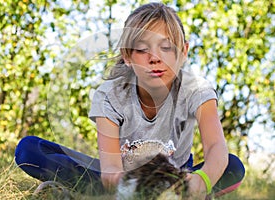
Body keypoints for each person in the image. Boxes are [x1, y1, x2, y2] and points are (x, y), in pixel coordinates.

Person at [15, 2, 245, 199]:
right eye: (142, 49)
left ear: (183, 52)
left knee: (232, 166)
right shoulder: (110, 95)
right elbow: (112, 169)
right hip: (122, 181)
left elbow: (216, 146)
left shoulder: (197, 90)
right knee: (30, 149)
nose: (154, 58)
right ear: (127, 56)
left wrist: (200, 181)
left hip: (176, 180)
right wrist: (132, 186)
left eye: (166, 47)